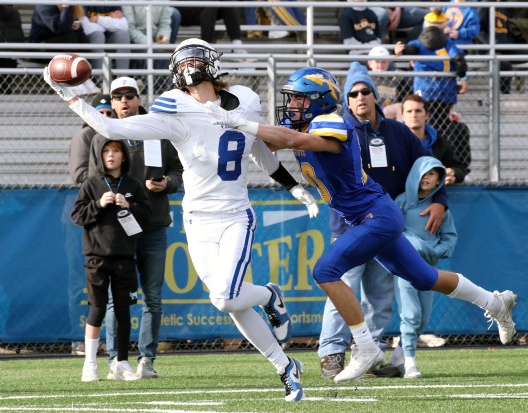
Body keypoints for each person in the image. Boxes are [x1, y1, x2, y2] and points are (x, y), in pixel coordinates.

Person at [44, 38, 321, 401]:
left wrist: (292, 186)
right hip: (198, 218)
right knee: (227, 299)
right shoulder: (174, 108)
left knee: (226, 298)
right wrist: (69, 95)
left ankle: (270, 300)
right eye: (183, 58)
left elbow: (257, 151)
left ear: (209, 62)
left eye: (194, 56)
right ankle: (284, 361)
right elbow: (111, 130)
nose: (189, 64)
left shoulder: (243, 99)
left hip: (236, 214)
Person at [205, 63, 517, 383]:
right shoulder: (304, 126)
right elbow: (263, 143)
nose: (293, 105)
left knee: (325, 271)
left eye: (300, 99)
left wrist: (239, 120)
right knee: (424, 277)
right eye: (292, 99)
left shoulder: (332, 122)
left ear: (321, 100)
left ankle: (365, 346)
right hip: (364, 217)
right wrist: (221, 117)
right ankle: (494, 302)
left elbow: (290, 141)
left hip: (375, 216)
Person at [319, 63, 449, 380]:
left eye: (365, 91)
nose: (360, 97)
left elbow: (426, 165)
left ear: (375, 96)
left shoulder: (398, 131)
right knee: (342, 287)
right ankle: (331, 353)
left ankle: (371, 352)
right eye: (353, 93)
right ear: (346, 101)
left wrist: (440, 201)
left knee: (380, 295)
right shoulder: (338, 131)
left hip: (386, 226)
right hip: (349, 225)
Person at [89, 77, 183, 380]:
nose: (124, 101)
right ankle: (117, 359)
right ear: (112, 102)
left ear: (139, 99)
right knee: (119, 298)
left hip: (153, 226)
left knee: (152, 297)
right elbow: (93, 180)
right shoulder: (103, 135)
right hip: (119, 232)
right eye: (118, 96)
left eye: (130, 95)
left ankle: (147, 359)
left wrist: (167, 183)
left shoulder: (159, 131)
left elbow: (179, 171)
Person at [71, 138, 150, 382]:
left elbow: (147, 217)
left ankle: (122, 363)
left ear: (124, 157)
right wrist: (98, 203)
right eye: (106, 152)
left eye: (116, 151)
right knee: (97, 309)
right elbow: (77, 215)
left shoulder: (133, 185)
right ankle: (90, 364)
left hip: (125, 257)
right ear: (101, 156)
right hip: (96, 258)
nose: (111, 156)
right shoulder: (92, 184)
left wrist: (130, 205)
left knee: (124, 310)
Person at [391, 156, 458, 379]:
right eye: (423, 173)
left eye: (432, 174)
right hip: (405, 270)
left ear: (439, 178)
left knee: (423, 320)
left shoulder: (441, 210)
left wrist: (432, 251)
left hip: (429, 271)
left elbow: (449, 239)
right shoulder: (401, 202)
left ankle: (399, 357)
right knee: (411, 315)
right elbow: (393, 233)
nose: (426, 178)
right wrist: (413, 246)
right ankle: (410, 363)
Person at [68, 93, 114, 357]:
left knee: (113, 288)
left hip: (108, 217)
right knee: (81, 282)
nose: (105, 117)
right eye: (101, 112)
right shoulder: (84, 137)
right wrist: (110, 178)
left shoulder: (114, 136)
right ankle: (79, 338)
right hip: (87, 214)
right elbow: (79, 175)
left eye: (109, 113)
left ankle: (106, 339)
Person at [394, 8, 469, 132]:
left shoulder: (418, 43)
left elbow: (409, 49)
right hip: (445, 91)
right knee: (442, 127)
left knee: (423, 126)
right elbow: (459, 60)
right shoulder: (448, 44)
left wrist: (400, 50)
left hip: (423, 90)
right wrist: (463, 78)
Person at [401, 94, 469, 184]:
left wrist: (452, 174)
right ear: (402, 116)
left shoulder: (440, 142)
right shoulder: (393, 143)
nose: (414, 115)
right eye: (409, 111)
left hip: (435, 195)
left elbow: (460, 169)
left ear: (427, 115)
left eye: (418, 111)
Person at [176, 4, 247, 54]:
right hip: (182, 9)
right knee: (211, 3)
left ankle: (237, 44)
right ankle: (207, 48)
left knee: (225, 1)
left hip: (205, 10)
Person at [364, 45, 411, 121]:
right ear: (370, 63)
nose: (380, 64)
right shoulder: (364, 80)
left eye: (383, 61)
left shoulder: (397, 79)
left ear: (388, 63)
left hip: (392, 116)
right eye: (377, 61)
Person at [81, 4, 130, 71]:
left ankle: (123, 78)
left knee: (123, 34)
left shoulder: (113, 2)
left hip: (110, 39)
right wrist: (110, 22)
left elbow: (123, 25)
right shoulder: (85, 3)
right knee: (98, 36)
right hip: (88, 41)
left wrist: (99, 19)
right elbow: (88, 28)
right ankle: (98, 79)